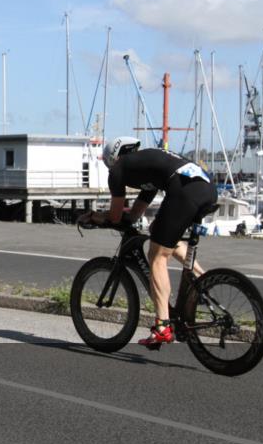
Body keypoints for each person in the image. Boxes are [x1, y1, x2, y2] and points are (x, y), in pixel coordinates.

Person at [80, 137, 218, 349]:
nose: (110, 168)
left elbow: (116, 217)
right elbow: (135, 215)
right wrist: (123, 218)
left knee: (156, 256)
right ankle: (203, 281)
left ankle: (162, 327)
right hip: (206, 188)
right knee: (160, 233)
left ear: (113, 158)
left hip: (184, 191)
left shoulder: (118, 170)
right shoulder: (146, 166)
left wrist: (94, 216)